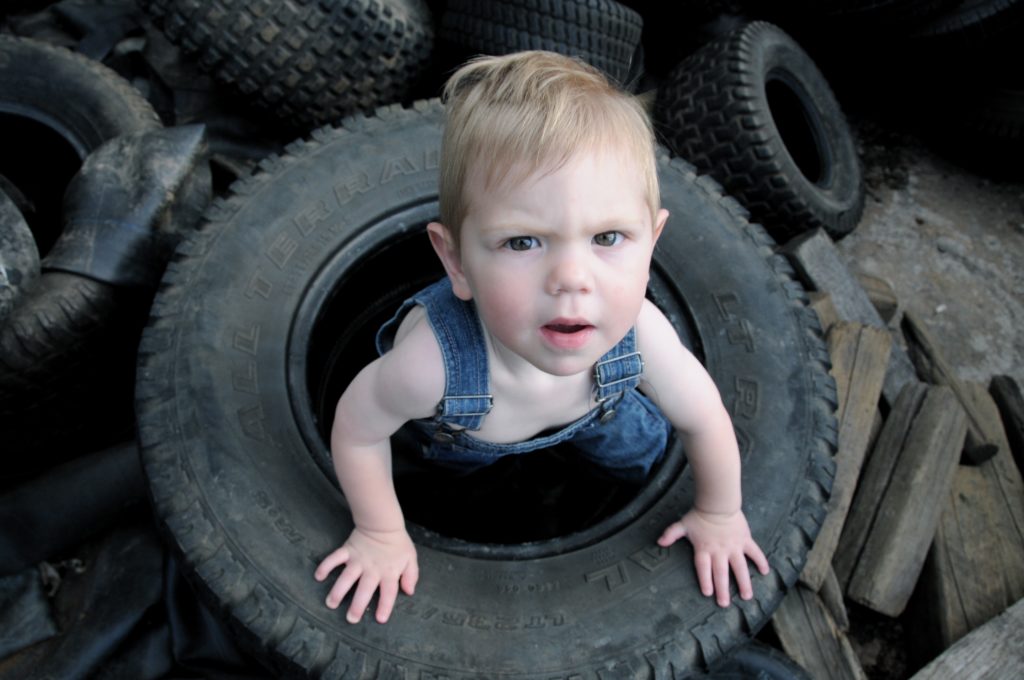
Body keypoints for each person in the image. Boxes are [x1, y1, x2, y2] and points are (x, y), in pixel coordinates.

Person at [314, 50, 769, 625]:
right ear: (455, 261)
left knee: (644, 456)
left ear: (651, 243)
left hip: (601, 413)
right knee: (445, 491)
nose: (572, 280)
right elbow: (355, 433)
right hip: (463, 438)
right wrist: (380, 531)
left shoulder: (642, 337)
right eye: (524, 242)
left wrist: (720, 513)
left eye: (608, 236)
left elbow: (704, 418)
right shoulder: (428, 366)